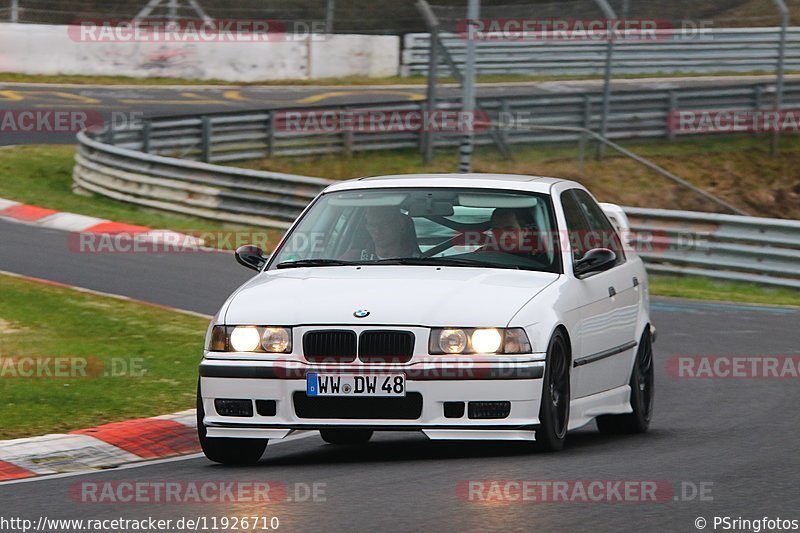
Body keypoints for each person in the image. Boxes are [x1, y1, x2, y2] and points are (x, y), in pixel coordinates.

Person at [343, 207, 421, 261]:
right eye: (372, 225)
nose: (377, 231)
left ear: (400, 224)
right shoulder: (351, 259)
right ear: (367, 228)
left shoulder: (420, 263)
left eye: (384, 224)